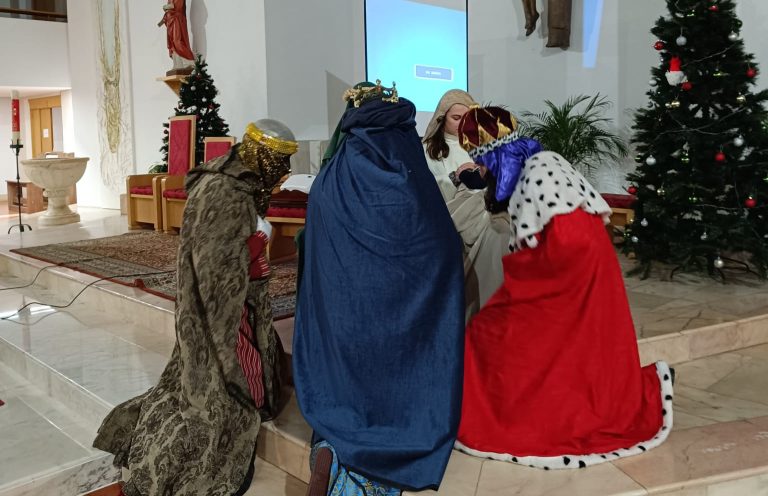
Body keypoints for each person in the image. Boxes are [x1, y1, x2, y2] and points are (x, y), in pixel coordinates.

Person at [455, 106, 674, 469]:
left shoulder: (535, 170)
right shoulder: (544, 161)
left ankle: (514, 414)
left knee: (491, 332)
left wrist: (528, 278)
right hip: (581, 267)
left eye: (483, 162)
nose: (483, 170)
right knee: (560, 340)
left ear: (495, 157)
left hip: (563, 272)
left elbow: (561, 239)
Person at [93, 120, 297, 495]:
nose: (284, 170)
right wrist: (256, 244)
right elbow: (214, 266)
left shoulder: (240, 183)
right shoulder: (223, 190)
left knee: (248, 372)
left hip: (234, 301)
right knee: (224, 395)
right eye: (279, 159)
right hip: (218, 309)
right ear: (259, 153)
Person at [293, 82, 465, 494]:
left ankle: (334, 444)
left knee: (344, 367)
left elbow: (315, 258)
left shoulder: (331, 180)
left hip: (344, 325)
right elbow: (442, 247)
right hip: (403, 337)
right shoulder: (409, 172)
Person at [423, 89, 480, 202]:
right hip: (454, 207)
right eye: (456, 118)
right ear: (442, 118)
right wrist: (457, 176)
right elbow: (429, 187)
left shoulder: (482, 146)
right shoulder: (429, 149)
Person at [158, 0, 195, 71]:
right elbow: (168, 11)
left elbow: (176, 6)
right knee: (172, 45)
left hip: (177, 20)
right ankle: (178, 64)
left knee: (177, 41)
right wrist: (162, 21)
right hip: (170, 22)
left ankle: (190, 61)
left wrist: (165, 7)